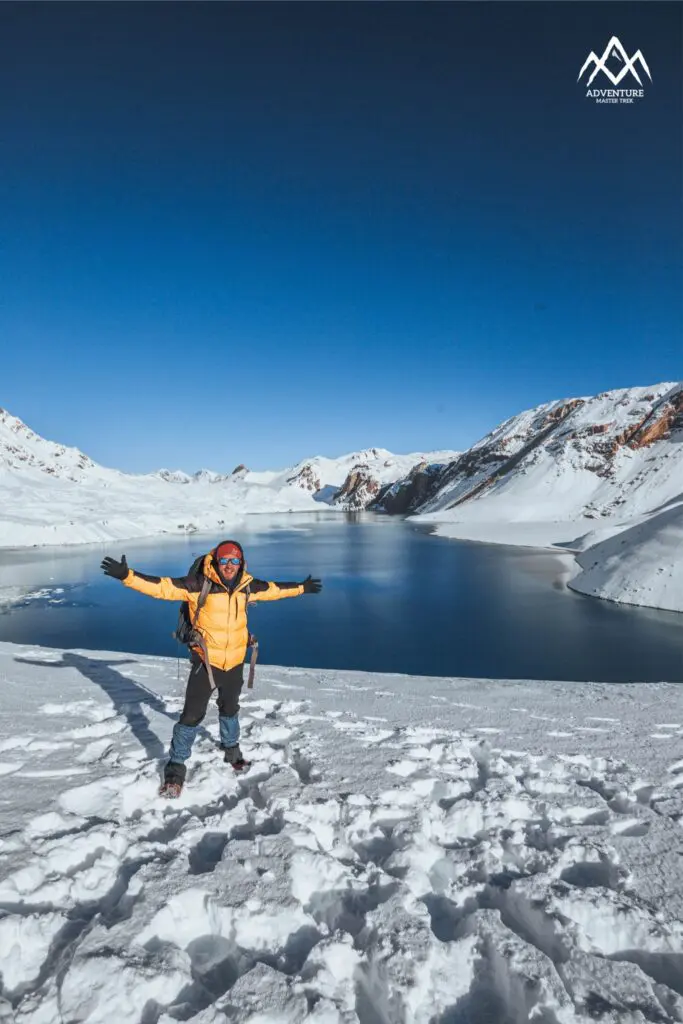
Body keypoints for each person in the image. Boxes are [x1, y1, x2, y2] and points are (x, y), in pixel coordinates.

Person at [101, 539, 322, 796]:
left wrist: (302, 588)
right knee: (191, 716)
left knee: (230, 708)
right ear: (216, 561)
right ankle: (175, 768)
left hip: (235, 662)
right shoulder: (198, 585)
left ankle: (232, 752)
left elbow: (275, 590)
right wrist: (127, 576)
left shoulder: (246, 586)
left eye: (235, 560)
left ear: (242, 563)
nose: (229, 565)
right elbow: (162, 587)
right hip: (206, 663)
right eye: (225, 560)